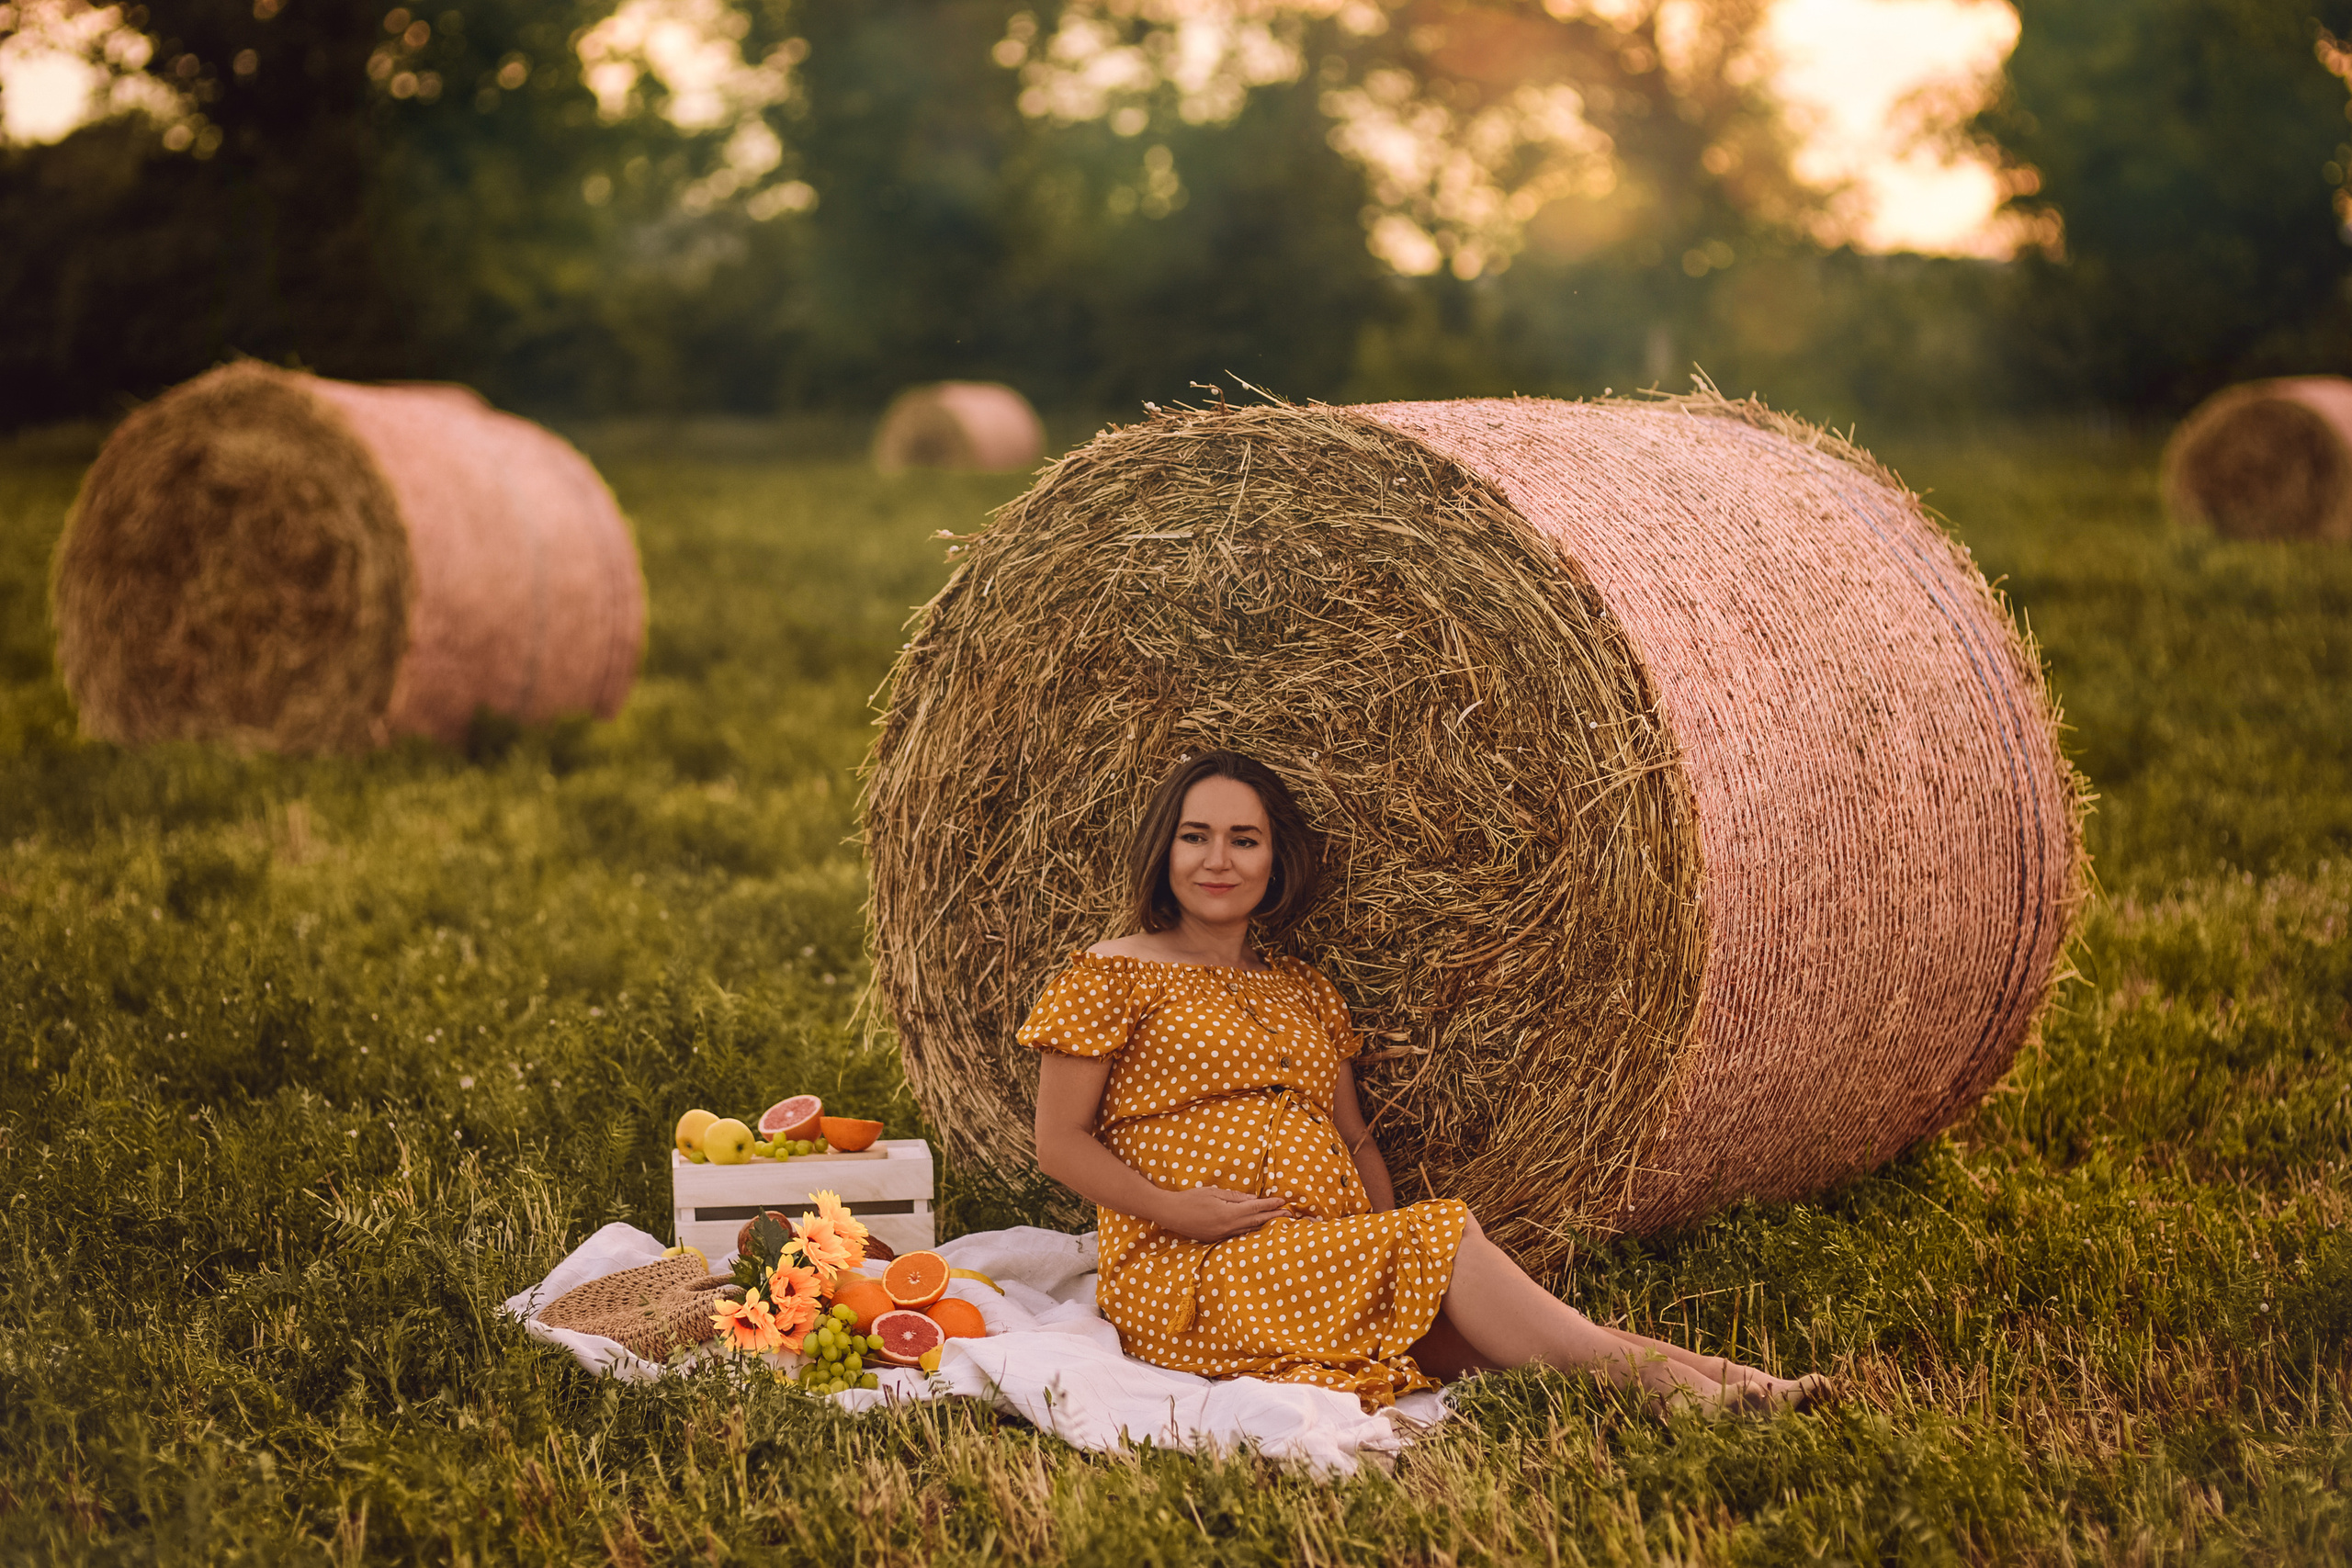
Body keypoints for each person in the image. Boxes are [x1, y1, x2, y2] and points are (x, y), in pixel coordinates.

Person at [1020, 749, 1830, 1417]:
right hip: (1191, 1268)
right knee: (1450, 1238)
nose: (1218, 860)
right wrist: (1176, 1209)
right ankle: (1685, 1395)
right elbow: (1058, 1141)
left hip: (1319, 1252)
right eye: (1195, 836)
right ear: (1164, 850)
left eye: (1244, 839)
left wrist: (1386, 1246)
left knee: (1506, 1341)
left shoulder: (1303, 988)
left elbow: (1355, 1136)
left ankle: (1732, 1383)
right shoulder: (1111, 973)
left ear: (1275, 858)